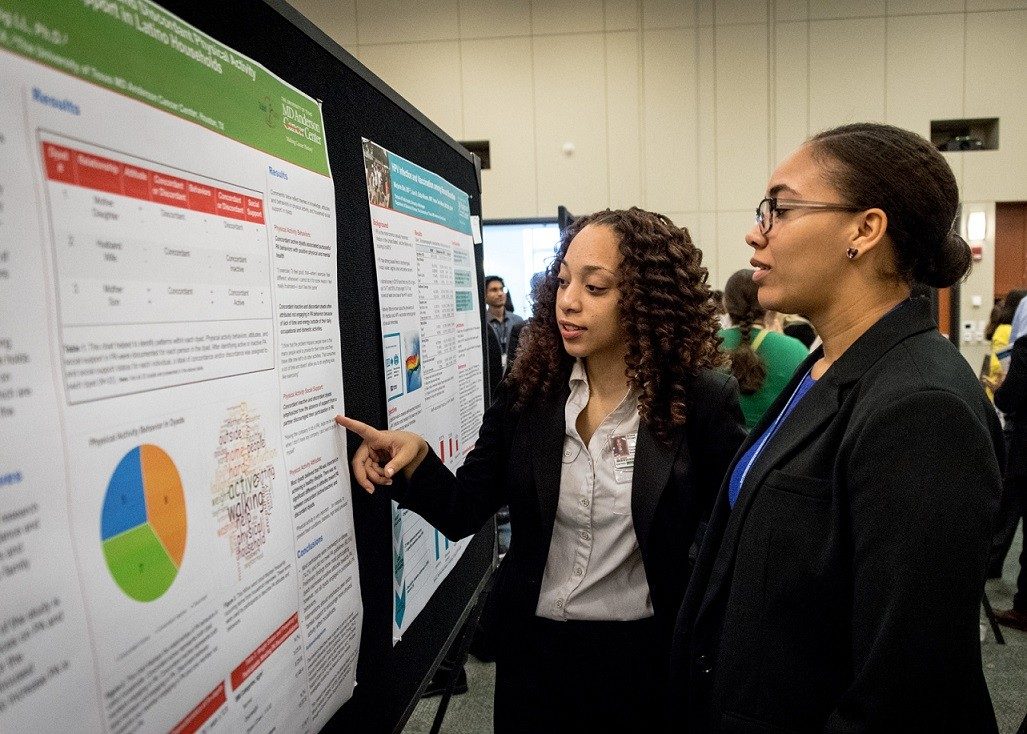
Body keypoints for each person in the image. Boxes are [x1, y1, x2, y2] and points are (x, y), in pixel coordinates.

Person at [338, 208, 745, 733]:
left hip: (646, 657)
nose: (568, 301)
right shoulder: (530, 394)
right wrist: (414, 459)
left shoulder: (698, 400)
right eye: (563, 281)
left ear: (649, 302)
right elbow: (462, 510)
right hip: (535, 654)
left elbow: (731, 534)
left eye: (595, 288)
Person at [672, 123, 1004, 732]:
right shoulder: (826, 364)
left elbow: (902, 687)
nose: (756, 232)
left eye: (780, 209)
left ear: (864, 230)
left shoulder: (920, 406)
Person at [719, 268, 809, 429]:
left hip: (715, 442)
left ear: (725, 303)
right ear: (766, 305)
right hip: (775, 442)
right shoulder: (795, 349)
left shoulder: (708, 344)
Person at [993, 334, 1027, 631]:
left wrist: (998, 390)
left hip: (1024, 451)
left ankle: (1024, 609)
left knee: (1006, 510)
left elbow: (1009, 398)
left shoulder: (1025, 347)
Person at [484, 275, 523, 370]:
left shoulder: (518, 321)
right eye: (494, 290)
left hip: (514, 370)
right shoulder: (483, 324)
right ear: (484, 295)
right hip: (492, 371)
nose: (500, 293)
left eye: (502, 289)